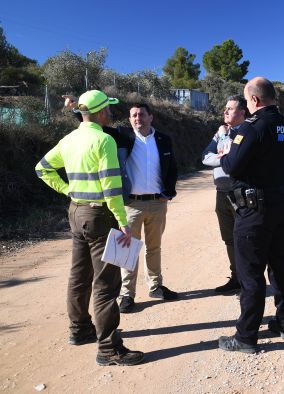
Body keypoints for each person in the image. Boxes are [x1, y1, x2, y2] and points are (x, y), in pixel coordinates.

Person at [35, 90, 144, 366]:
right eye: (108, 108)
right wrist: (122, 221)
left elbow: (42, 168)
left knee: (79, 275)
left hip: (75, 212)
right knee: (107, 283)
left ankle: (79, 330)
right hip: (99, 216)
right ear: (98, 113)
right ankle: (109, 349)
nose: (110, 113)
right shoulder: (103, 140)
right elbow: (111, 186)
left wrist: (67, 189)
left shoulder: (69, 139)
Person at [218, 77, 284, 353]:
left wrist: (227, 152)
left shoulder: (252, 127)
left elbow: (232, 166)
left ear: (254, 100)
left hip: (256, 209)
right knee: (280, 265)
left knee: (250, 273)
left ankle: (245, 336)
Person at [117, 103, 179, 313]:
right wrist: (77, 111)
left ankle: (155, 286)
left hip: (156, 203)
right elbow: (94, 126)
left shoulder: (163, 139)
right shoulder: (123, 137)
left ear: (151, 117)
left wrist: (168, 192)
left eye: (141, 114)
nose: (137, 118)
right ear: (129, 119)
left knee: (154, 248)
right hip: (131, 204)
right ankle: (127, 293)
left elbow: (172, 168)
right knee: (128, 250)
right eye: (133, 115)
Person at [201, 96, 248, 293]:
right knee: (229, 239)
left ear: (242, 112)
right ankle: (236, 278)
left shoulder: (246, 132)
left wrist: (223, 149)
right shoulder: (220, 134)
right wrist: (223, 153)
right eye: (225, 108)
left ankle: (248, 282)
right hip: (221, 193)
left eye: (230, 109)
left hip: (240, 193)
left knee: (244, 239)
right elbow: (205, 157)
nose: (225, 112)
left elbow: (237, 159)